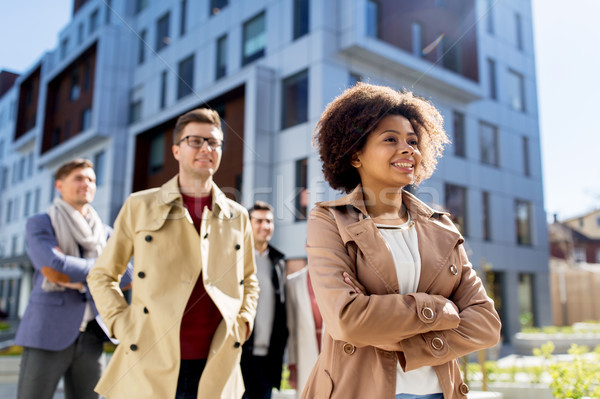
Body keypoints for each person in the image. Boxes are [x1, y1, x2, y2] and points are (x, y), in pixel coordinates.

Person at [302, 83, 502, 399]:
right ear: (355, 154)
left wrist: (391, 329)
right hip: (358, 390)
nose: (408, 149)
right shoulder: (329, 221)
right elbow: (348, 320)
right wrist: (441, 309)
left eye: (412, 140)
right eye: (390, 139)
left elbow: (486, 325)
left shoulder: (443, 228)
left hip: (441, 392)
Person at [87, 108, 259, 399]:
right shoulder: (139, 205)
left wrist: (243, 322)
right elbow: (102, 275)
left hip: (217, 364)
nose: (206, 148)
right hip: (149, 361)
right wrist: (122, 324)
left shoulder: (238, 215)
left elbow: (249, 279)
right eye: (196, 140)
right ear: (176, 150)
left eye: (214, 142)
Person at [15, 158, 133, 399]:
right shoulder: (41, 223)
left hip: (92, 336)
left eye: (91, 179)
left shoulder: (106, 232)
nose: (86, 184)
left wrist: (75, 273)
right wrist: (103, 272)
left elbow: (128, 275)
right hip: (47, 333)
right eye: (79, 178)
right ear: (59, 185)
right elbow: (53, 266)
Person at [241, 201, 288, 399]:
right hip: (241, 355)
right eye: (258, 221)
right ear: (248, 224)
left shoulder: (278, 262)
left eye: (268, 221)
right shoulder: (238, 258)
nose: (264, 226)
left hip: (269, 359)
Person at [285, 266, 322, 398]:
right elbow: (291, 327)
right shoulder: (293, 282)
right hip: (304, 350)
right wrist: (292, 366)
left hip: (330, 347)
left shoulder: (335, 277)